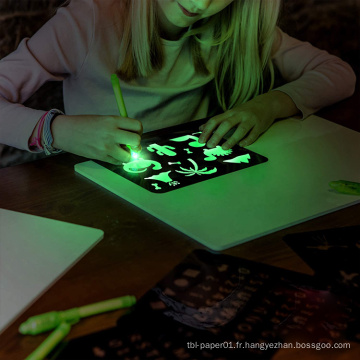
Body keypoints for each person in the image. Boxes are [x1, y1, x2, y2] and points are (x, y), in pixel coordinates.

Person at [0, 0, 356, 165]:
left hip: (195, 180)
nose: (200, 3)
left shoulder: (233, 27)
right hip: (97, 188)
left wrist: (267, 105)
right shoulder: (90, 19)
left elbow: (339, 74)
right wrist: (58, 130)